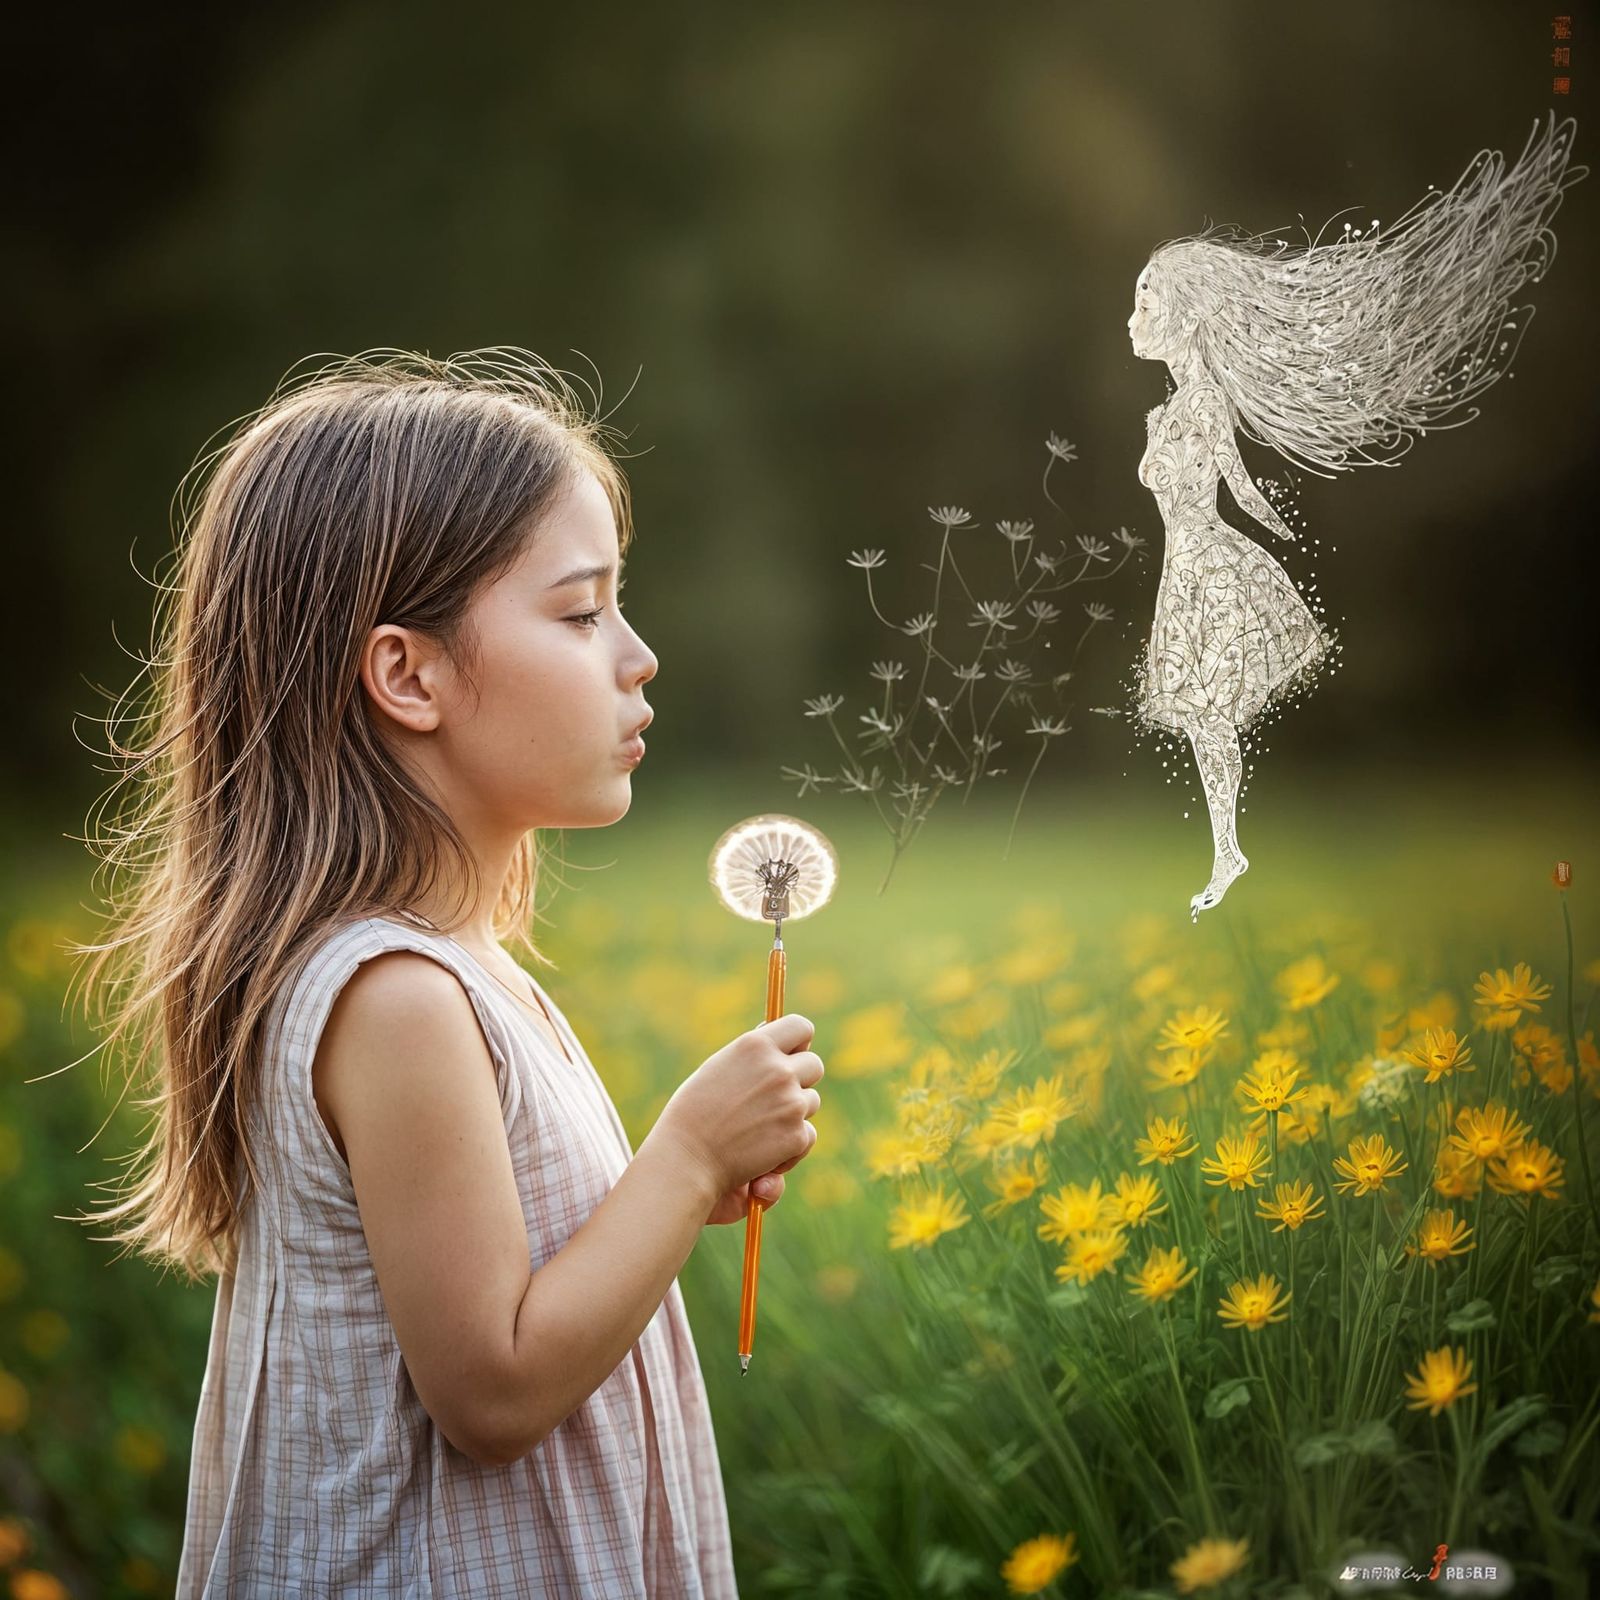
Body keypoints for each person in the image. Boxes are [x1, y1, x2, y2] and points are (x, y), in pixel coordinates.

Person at [68, 348, 824, 1596]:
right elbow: (494, 1389)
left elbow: (507, 1279)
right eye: (580, 614)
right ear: (407, 675)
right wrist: (687, 1155)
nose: (637, 656)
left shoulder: (458, 970)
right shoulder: (399, 1001)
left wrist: (667, 1204)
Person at [1125, 113, 1583, 920]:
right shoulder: (1170, 411)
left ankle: (1228, 849)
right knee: (1202, 718)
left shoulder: (1199, 405)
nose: (1132, 318)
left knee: (1208, 714)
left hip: (1208, 569)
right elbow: (1226, 483)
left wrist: (1269, 527)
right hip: (1186, 571)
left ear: (1187, 316)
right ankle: (1227, 847)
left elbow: (1233, 482)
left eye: (1144, 301)